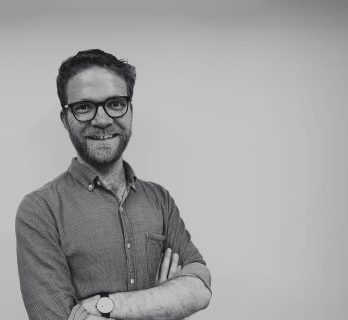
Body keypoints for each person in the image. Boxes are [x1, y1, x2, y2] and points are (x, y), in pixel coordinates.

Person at [15, 49, 212, 320]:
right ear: (65, 119)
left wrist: (105, 306)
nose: (102, 119)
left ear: (130, 110)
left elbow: (199, 289)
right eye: (84, 107)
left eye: (116, 103)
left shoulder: (160, 200)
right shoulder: (39, 210)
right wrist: (163, 300)